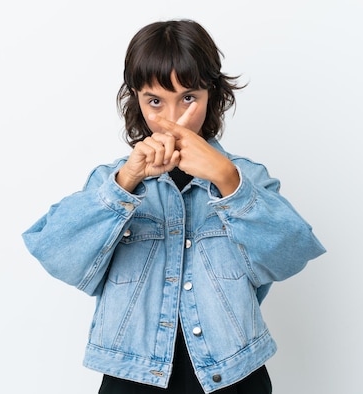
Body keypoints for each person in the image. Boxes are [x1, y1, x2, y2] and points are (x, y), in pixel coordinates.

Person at [22, 19, 326, 394]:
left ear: (211, 94)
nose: (173, 118)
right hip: (132, 379)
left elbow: (291, 255)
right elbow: (55, 253)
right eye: (155, 101)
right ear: (136, 98)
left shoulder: (246, 176)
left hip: (233, 377)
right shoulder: (110, 180)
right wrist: (124, 184)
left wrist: (227, 181)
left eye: (188, 98)